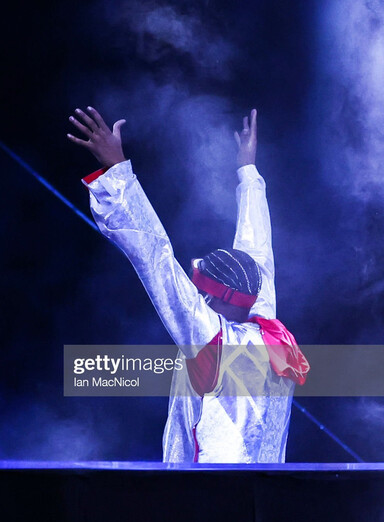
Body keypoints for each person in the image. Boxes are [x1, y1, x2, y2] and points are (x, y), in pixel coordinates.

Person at [67, 107, 309, 463]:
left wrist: (117, 171)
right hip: (265, 494)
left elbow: (155, 258)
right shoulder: (264, 321)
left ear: (218, 299)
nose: (200, 297)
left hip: (211, 495)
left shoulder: (211, 338)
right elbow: (257, 248)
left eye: (205, 293)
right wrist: (248, 171)